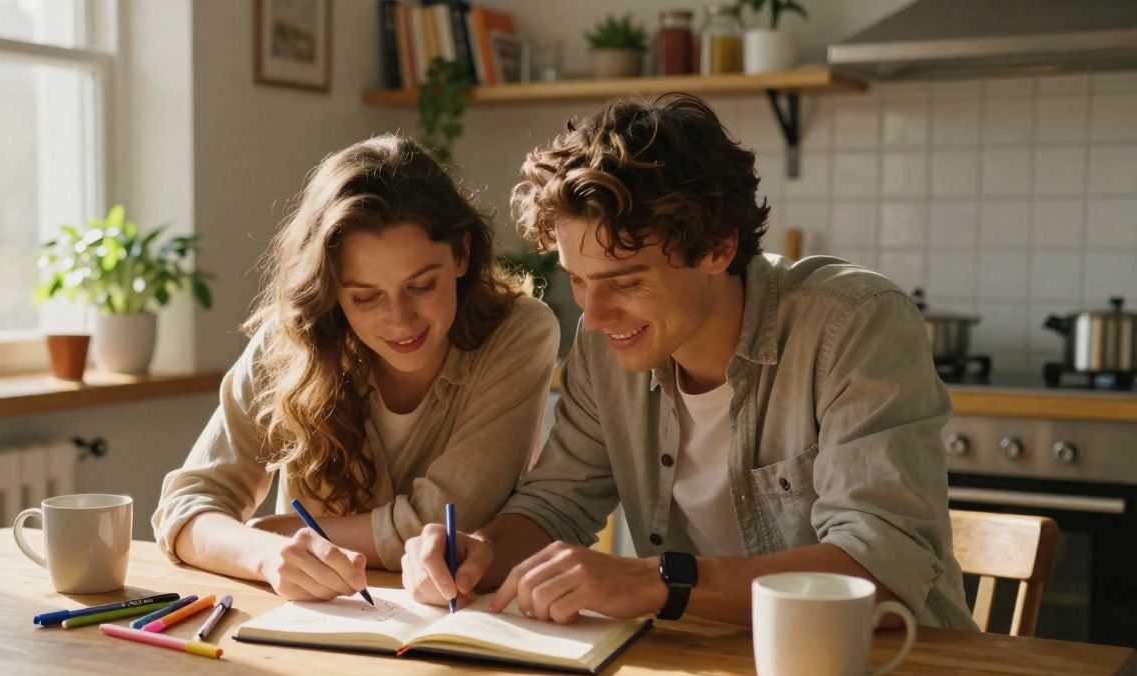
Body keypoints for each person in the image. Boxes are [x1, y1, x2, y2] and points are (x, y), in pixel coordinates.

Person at [401, 93, 977, 629]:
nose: (595, 315)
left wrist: (655, 582)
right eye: (578, 281)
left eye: (624, 281)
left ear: (717, 248)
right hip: (715, 671)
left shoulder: (855, 323)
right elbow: (556, 503)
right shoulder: (605, 347)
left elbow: (877, 567)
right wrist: (479, 553)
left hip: (892, 671)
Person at [153, 135, 559, 602]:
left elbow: (448, 522)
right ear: (330, 291)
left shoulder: (519, 332)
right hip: (321, 631)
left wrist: (288, 528)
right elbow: (185, 507)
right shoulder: (293, 340)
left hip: (462, 624)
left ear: (462, 254)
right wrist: (265, 553)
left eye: (423, 285)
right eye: (364, 298)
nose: (400, 321)